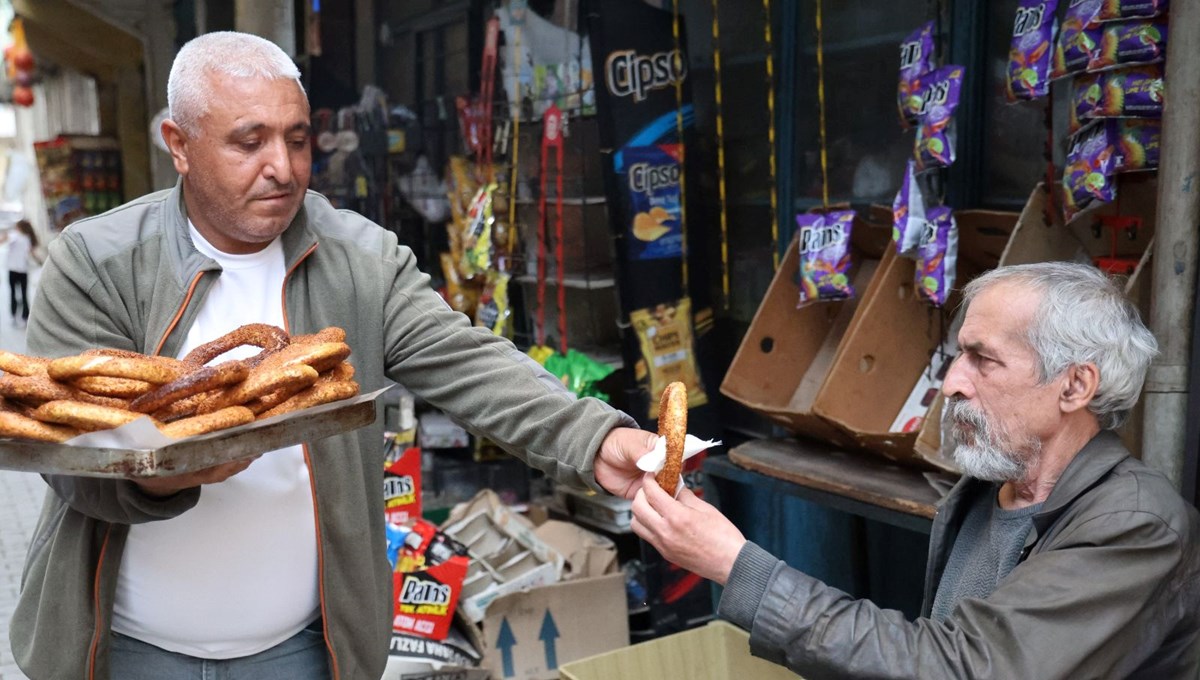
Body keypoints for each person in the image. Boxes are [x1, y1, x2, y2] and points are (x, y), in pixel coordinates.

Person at [9, 32, 655, 680]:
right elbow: (67, 452)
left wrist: (594, 438)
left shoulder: (360, 260)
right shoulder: (97, 261)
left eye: (296, 138)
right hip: (125, 651)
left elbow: (467, 359)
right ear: (178, 144)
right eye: (249, 141)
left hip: (305, 651)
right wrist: (158, 474)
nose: (283, 168)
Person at [632, 262, 1200, 679]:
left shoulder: (1138, 528)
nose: (952, 381)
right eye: (958, 355)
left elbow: (965, 669)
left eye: (984, 359)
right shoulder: (985, 492)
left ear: (1074, 386)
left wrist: (737, 567)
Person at [3, 218, 35, 326]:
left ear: (19, 227)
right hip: (23, 270)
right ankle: (25, 317)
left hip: (13, 270)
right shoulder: (28, 238)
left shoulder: (14, 235)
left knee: (13, 294)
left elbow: (3, 240)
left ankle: (14, 316)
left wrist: (5, 235)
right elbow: (30, 252)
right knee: (24, 294)